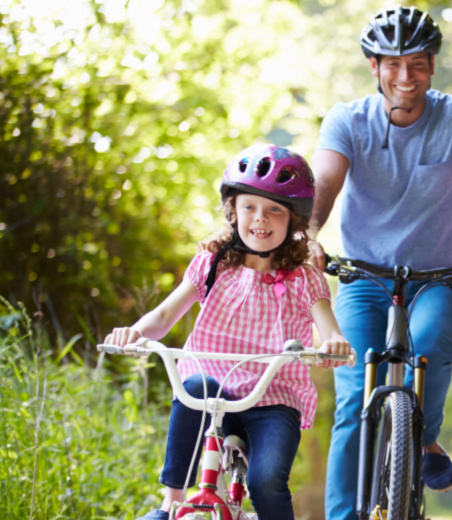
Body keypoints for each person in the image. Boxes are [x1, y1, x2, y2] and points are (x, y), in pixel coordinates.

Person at [307, 6, 452, 517]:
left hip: (441, 277)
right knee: (356, 390)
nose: (406, 76)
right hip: (363, 276)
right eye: (394, 64)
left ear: (432, 65)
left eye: (418, 64)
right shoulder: (347, 120)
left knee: (426, 347)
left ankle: (422, 437)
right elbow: (323, 183)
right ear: (374, 66)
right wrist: (307, 234)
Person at [103, 144, 352, 520]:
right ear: (232, 210)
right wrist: (134, 333)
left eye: (274, 210)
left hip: (273, 398)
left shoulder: (304, 277)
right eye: (249, 206)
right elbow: (166, 314)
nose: (260, 218)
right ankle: (172, 500)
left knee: (267, 481)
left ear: (294, 221)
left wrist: (333, 342)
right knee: (192, 387)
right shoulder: (212, 264)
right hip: (212, 391)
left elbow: (327, 326)